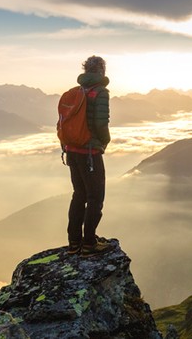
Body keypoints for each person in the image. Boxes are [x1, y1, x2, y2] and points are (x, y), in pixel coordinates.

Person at [65, 55, 111, 257]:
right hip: (90, 153)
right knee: (95, 197)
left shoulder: (76, 92)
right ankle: (89, 243)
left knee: (79, 195)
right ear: (101, 71)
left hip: (72, 151)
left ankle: (74, 243)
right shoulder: (100, 92)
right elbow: (101, 123)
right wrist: (105, 141)